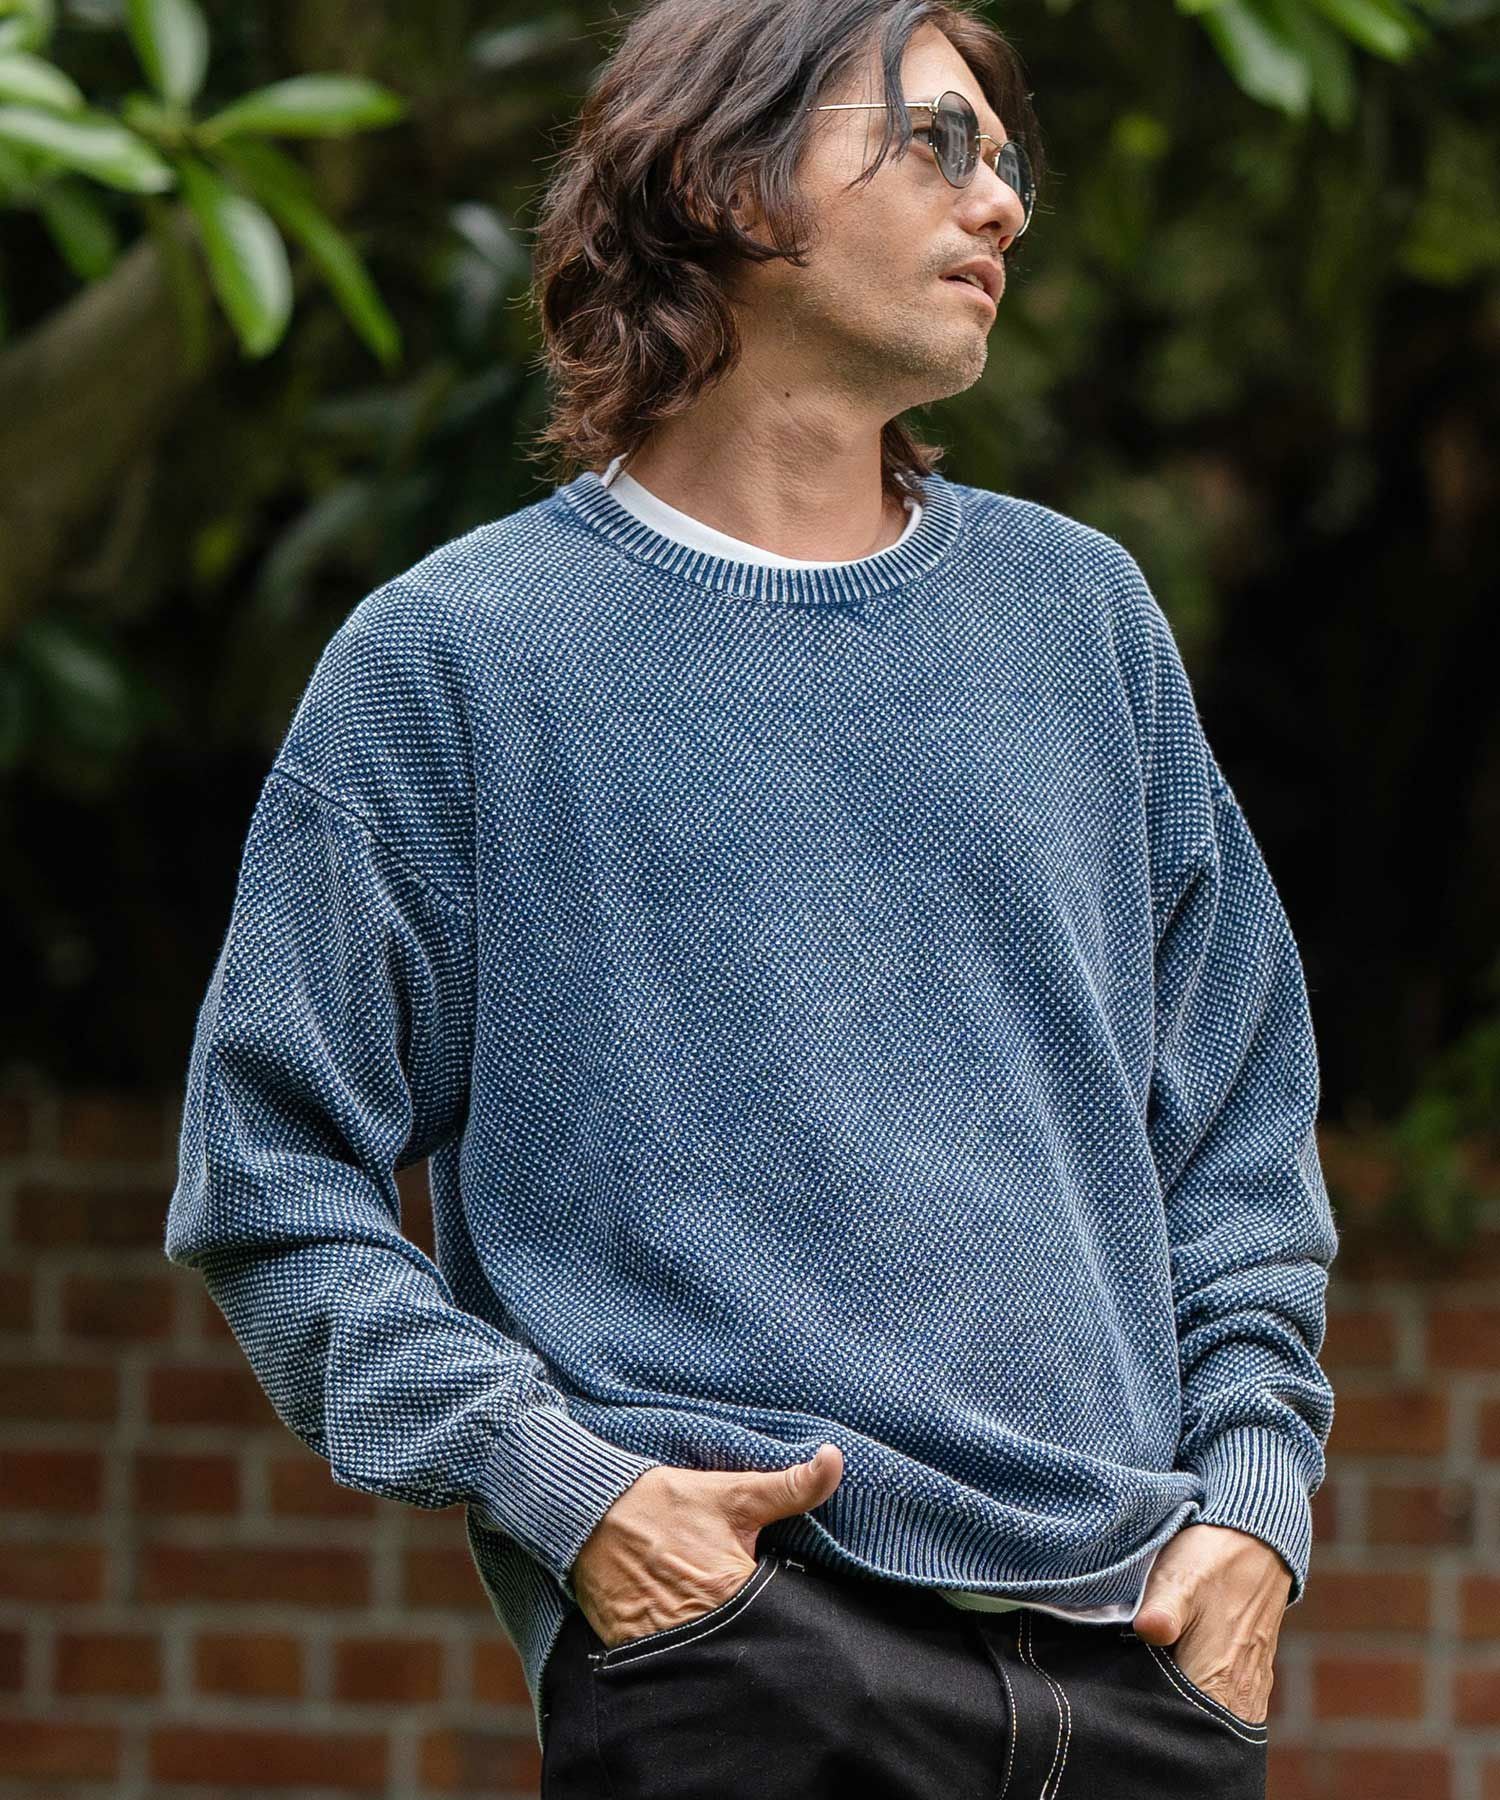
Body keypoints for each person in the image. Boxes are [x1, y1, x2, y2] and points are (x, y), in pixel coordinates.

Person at [163, 1, 1338, 1794]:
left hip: (1141, 1675)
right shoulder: (457, 662)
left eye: (1008, 159)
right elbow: (268, 1180)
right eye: (936, 142)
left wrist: (1253, 1508)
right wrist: (577, 1495)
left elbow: (1241, 1132)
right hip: (747, 1661)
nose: (1003, 202)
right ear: (726, 178)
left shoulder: (1081, 620)